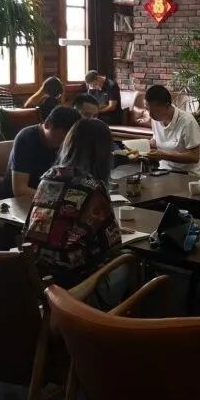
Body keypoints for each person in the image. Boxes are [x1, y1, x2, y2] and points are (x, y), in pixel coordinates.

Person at [22, 118, 121, 287]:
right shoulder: (93, 187)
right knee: (134, 263)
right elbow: (113, 246)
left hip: (38, 274)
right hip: (74, 281)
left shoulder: (47, 178)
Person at [6, 105, 81, 197]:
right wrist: (58, 197)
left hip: (48, 197)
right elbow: (20, 190)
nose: (66, 141)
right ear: (47, 124)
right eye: (63, 135)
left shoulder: (70, 142)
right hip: (16, 201)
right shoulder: (26, 138)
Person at [145, 84, 200, 173]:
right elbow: (157, 140)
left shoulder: (187, 121)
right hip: (163, 169)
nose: (150, 115)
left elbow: (194, 157)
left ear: (167, 106)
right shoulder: (156, 118)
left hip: (186, 173)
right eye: (148, 110)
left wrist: (164, 155)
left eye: (155, 111)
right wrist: (142, 145)